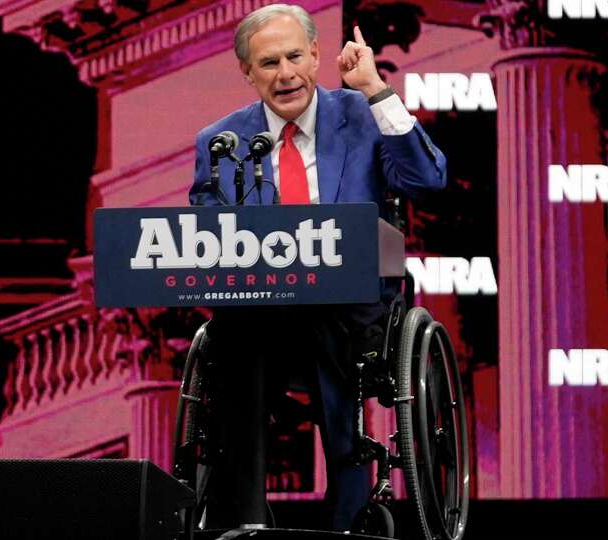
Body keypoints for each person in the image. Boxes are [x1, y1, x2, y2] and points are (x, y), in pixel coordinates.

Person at [187, 3, 447, 532]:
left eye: (294, 57)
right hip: (261, 311)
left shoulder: (361, 116)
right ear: (247, 72)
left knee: (327, 328)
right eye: (267, 63)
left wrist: (376, 89)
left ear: (317, 55)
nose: (285, 74)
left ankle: (348, 516)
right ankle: (248, 520)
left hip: (350, 309)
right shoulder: (222, 143)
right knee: (238, 335)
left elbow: (426, 182)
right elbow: (205, 234)